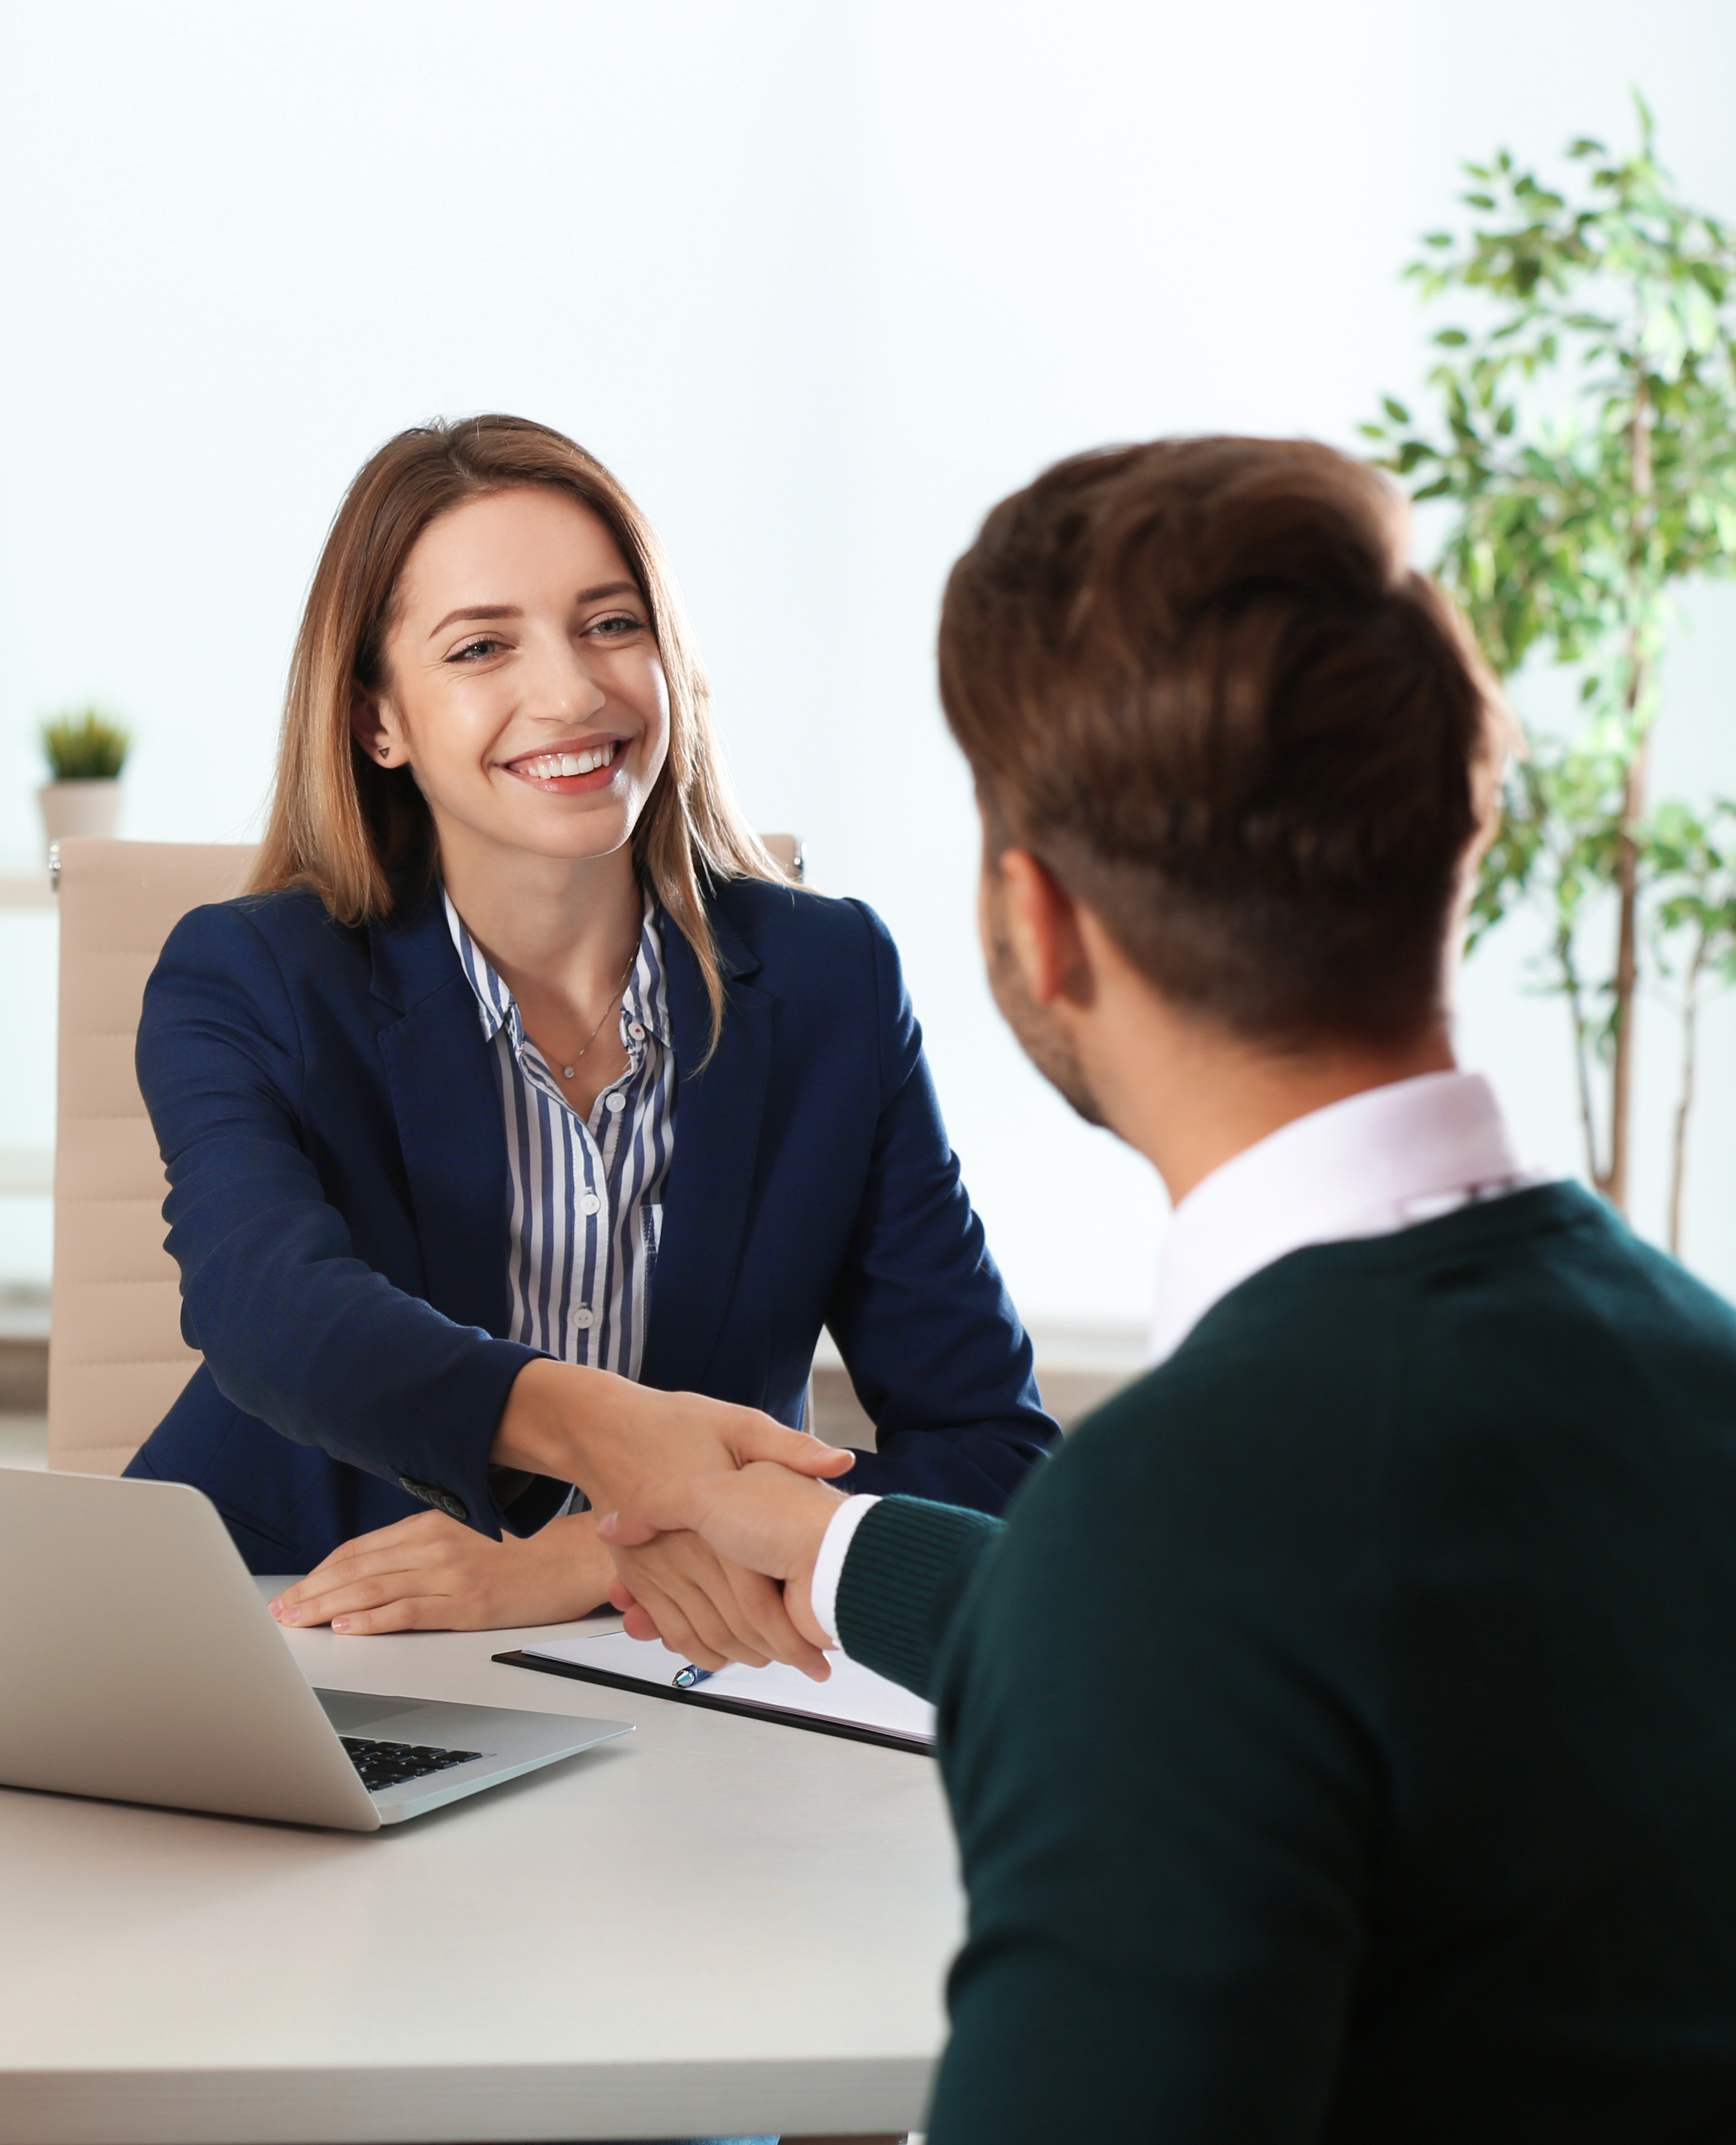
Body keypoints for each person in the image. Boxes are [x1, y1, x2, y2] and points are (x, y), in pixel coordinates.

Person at [602, 437, 1736, 2136]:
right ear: (1462, 838)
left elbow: (1210, 1620)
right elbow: (1343, 1658)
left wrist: (1088, 1592)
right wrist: (841, 1554)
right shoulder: (1686, 1366)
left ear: (1038, 925)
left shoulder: (1185, 1538)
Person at [128, 413, 1053, 1650]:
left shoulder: (830, 979)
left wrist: (587, 1555)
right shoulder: (250, 974)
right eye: (481, 648)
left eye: (611, 625)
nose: (568, 693)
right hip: (287, 1628)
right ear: (376, 721)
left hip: (667, 1658)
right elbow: (269, 1308)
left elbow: (993, 1452)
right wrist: (603, 1433)